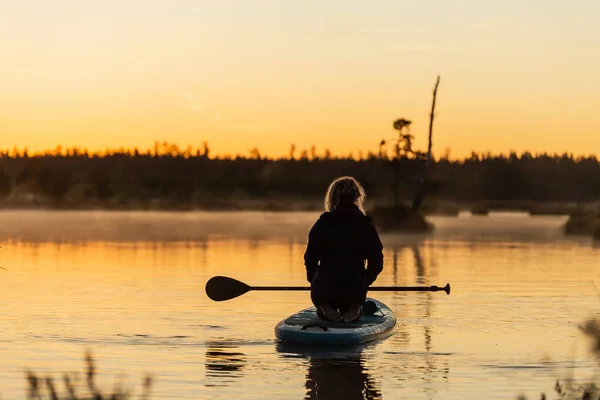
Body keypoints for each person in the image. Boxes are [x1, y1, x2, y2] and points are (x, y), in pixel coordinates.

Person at [303, 176, 384, 323]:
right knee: (353, 300)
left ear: (332, 197)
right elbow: (377, 260)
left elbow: (310, 257)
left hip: (324, 288)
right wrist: (366, 281)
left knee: (323, 298)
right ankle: (353, 310)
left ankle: (326, 308)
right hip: (354, 289)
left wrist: (312, 279)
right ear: (356, 197)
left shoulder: (323, 223)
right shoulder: (365, 225)